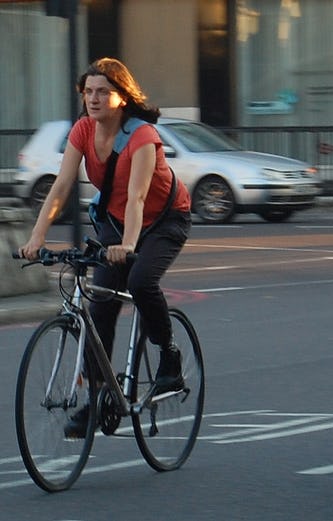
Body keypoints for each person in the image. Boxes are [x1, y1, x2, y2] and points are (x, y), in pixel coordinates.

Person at [18, 57, 192, 438]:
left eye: (103, 92)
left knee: (143, 281)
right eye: (88, 92)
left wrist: (128, 244)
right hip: (115, 223)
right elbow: (62, 186)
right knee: (99, 309)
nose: (94, 99)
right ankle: (97, 400)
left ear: (122, 97)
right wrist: (36, 236)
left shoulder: (143, 136)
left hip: (164, 220)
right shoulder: (82, 130)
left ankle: (169, 357)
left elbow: (138, 196)